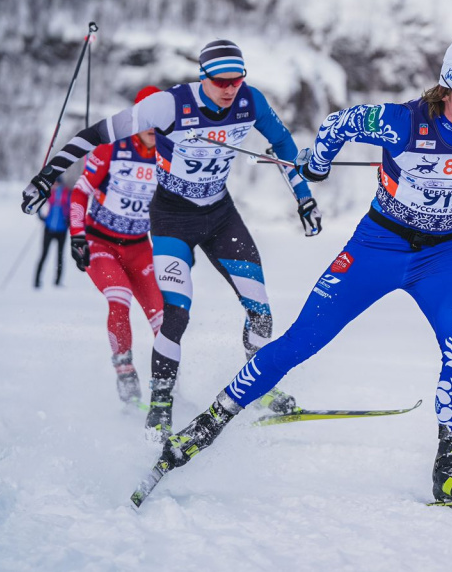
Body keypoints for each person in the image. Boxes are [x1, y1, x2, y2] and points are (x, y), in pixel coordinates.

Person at [145, 33, 452, 505]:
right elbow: (338, 124)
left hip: (441, 256)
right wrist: (317, 165)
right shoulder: (400, 122)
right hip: (378, 247)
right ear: (446, 90)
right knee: (302, 340)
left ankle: (449, 470)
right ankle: (206, 425)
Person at [22, 40, 321, 440]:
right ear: (203, 77)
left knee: (261, 312)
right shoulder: (167, 106)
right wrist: (47, 175)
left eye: (237, 79)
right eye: (221, 81)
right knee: (176, 315)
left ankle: (260, 388)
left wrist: (304, 197)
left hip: (220, 216)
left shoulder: (251, 102)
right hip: (172, 221)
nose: (230, 88)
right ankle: (159, 407)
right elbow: (94, 134)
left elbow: (283, 147)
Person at [69, 86, 164, 406]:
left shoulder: (170, 154)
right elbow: (80, 192)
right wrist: (77, 235)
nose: (154, 128)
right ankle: (125, 373)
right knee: (119, 299)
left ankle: (167, 389)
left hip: (140, 247)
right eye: (147, 120)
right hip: (101, 244)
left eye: (160, 120)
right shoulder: (112, 148)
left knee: (164, 318)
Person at [34, 178, 71, 288]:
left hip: (61, 229)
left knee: (59, 256)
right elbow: (39, 202)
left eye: (56, 183)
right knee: (45, 255)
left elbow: (71, 208)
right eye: (54, 183)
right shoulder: (50, 192)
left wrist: (68, 220)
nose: (55, 185)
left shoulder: (66, 193)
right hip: (49, 228)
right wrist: (41, 215)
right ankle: (37, 281)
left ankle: (57, 281)